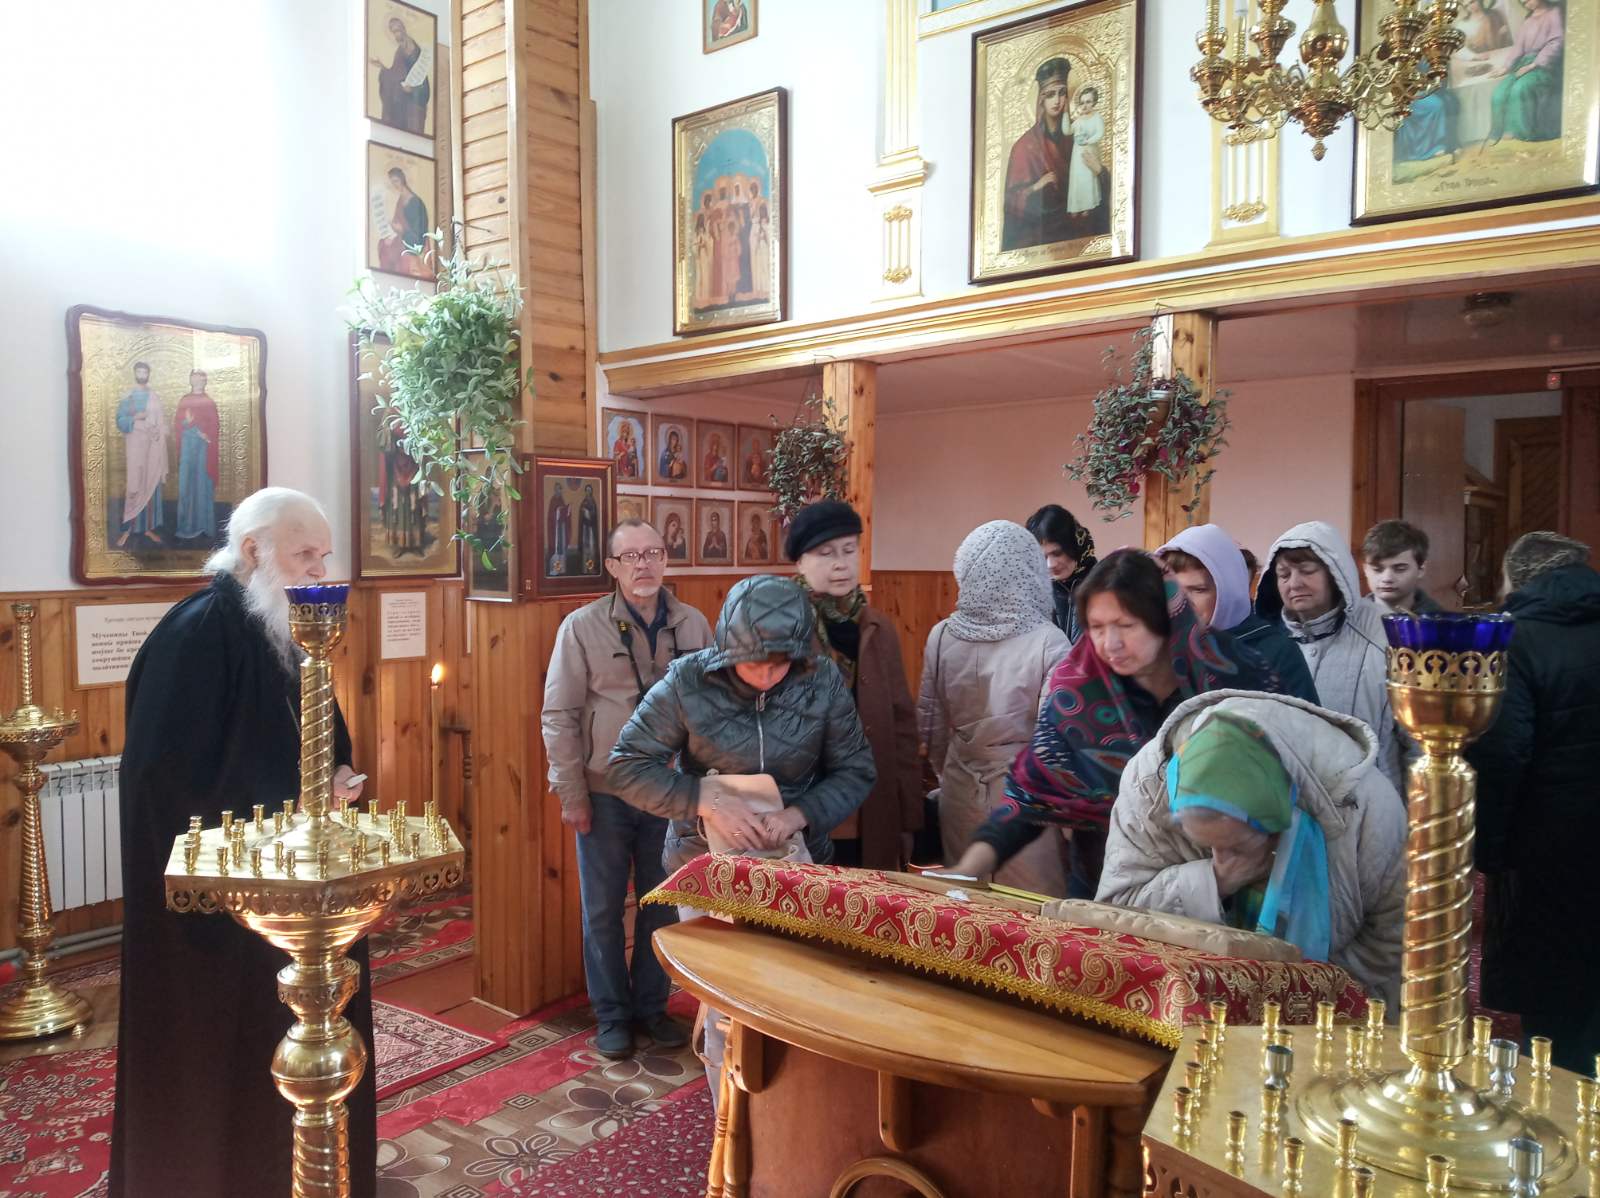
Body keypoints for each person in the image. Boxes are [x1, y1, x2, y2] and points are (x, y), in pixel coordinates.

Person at [111, 488, 375, 1198]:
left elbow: (321, 738)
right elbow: (164, 785)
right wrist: (287, 808)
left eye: (325, 555)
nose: (320, 569)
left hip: (299, 891)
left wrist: (339, 777)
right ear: (254, 550)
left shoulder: (286, 631)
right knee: (230, 1063)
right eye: (305, 553)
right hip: (225, 916)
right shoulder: (193, 636)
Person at [608, 575, 877, 1093]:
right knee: (724, 1008)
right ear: (727, 651)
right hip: (705, 869)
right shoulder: (688, 681)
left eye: (781, 663)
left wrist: (799, 813)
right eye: (755, 662)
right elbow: (626, 766)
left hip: (795, 864)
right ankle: (726, 1122)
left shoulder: (820, 680)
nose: (768, 675)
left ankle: (783, 1118)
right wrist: (704, 801)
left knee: (792, 996)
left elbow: (857, 769)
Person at [953, 550, 1287, 896]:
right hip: (1106, 890)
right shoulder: (1077, 694)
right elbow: (1029, 796)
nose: (1110, 644)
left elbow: (1283, 773)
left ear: (1164, 620)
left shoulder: (1235, 677)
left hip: (1225, 885)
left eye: (1126, 625)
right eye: (1096, 628)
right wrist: (969, 867)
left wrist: (1226, 874)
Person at [1097, 694, 1406, 1007]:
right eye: (1205, 845)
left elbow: (1393, 940)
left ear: (1275, 822)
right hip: (1184, 1000)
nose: (1220, 856)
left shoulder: (1366, 808)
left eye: (1234, 845)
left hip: (1324, 1011)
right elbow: (1113, 921)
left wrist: (1307, 997)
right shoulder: (1149, 784)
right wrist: (1214, 882)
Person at [542, 518, 712, 1059]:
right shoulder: (581, 627)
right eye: (632, 556)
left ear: (666, 559)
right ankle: (612, 1015)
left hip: (671, 791)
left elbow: (714, 709)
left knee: (662, 904)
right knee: (603, 911)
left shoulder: (693, 624)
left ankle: (652, 1008)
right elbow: (559, 714)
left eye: (653, 553)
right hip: (606, 792)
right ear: (613, 567)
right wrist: (571, 793)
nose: (644, 565)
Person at [1468, 532, 1600, 1073]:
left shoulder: (1514, 639)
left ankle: (1563, 1107)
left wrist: (1490, 851)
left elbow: (1502, 755)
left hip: (1549, 849)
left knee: (1554, 1017)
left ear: (1516, 579)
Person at [919, 521, 1071, 895]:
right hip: (1025, 800)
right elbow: (1054, 743)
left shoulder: (942, 635)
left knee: (965, 906)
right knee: (1030, 911)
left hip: (959, 787)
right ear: (1029, 571)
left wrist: (949, 773)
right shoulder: (1050, 641)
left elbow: (930, 725)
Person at [788, 501, 922, 869]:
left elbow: (902, 725)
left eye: (849, 550)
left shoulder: (877, 628)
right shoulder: (781, 626)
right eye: (826, 553)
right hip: (803, 808)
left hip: (872, 807)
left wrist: (909, 816)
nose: (841, 563)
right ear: (799, 562)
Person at [1255, 521, 1409, 793]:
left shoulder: (1387, 635)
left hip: (1372, 802)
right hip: (1290, 804)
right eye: (1284, 574)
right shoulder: (1265, 644)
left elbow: (1418, 742)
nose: (1294, 583)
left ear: (1334, 573)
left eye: (1307, 571)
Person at [1158, 523, 1319, 704]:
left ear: (1228, 592)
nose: (1183, 602)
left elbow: (1303, 720)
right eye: (1172, 590)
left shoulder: (1275, 652)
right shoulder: (1152, 649)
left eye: (1198, 590)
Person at [1002, 57, 1075, 251]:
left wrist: (1099, 173)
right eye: (1050, 95)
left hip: (1073, 231)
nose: (1057, 101)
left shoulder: (1076, 138)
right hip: (1038, 236)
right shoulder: (1024, 146)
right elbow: (1011, 202)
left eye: (1062, 93)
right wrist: (1036, 186)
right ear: (1041, 99)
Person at [1488, 0, 1564, 145]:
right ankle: (1502, 130)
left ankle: (1522, 132)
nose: (1526, 4)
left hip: (1545, 66)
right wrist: (1505, 67)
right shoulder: (1528, 20)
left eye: (1528, 0)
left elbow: (1556, 43)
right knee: (1500, 92)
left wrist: (1533, 65)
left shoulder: (1554, 13)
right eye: (1523, 2)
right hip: (1524, 63)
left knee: (1520, 88)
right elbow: (1518, 47)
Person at [1025, 503, 1098, 643]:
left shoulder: (1104, 583)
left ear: (1075, 545)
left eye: (1057, 553)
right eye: (1042, 557)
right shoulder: (1034, 593)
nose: (1050, 564)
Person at [115, 361, 167, 547]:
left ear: (148, 374)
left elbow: (160, 423)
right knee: (135, 483)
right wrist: (135, 418)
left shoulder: (154, 397)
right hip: (135, 445)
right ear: (135, 373)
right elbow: (120, 420)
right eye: (139, 371)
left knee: (149, 482)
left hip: (152, 445)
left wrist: (157, 432)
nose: (142, 374)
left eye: (145, 371)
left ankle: (147, 528)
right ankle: (128, 529)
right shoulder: (127, 397)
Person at [1357, 519, 1442, 616]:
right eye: (1377, 569)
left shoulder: (1441, 622)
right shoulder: (1348, 619)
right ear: (1365, 570)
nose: (1387, 578)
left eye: (1400, 569)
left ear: (1421, 570)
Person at [173, 369, 220, 542]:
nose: (197, 380)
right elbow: (178, 424)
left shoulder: (209, 402)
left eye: (201, 377)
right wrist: (187, 422)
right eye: (194, 377)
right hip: (187, 446)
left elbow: (214, 426)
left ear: (205, 381)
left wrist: (204, 433)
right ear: (190, 379)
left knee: (201, 484)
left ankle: (203, 526)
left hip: (202, 449)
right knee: (186, 484)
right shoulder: (185, 400)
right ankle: (185, 526)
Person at [373, 15, 431, 135]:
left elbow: (421, 77)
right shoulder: (399, 51)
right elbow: (396, 74)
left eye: (398, 29)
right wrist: (383, 68)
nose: (396, 33)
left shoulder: (415, 49)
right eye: (393, 31)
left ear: (403, 28)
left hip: (415, 100)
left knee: (414, 135)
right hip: (403, 102)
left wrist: (413, 89)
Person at [379, 167, 430, 277]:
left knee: (387, 249)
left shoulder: (416, 202)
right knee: (383, 244)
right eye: (392, 182)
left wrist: (402, 231)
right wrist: (393, 230)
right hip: (403, 237)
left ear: (402, 180)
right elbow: (397, 221)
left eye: (396, 181)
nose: (395, 185)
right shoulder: (401, 199)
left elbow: (419, 232)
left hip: (413, 241)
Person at [1065, 86, 1105, 217]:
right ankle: (1076, 206)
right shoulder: (1079, 119)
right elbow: (1067, 131)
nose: (1085, 105)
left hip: (1090, 153)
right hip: (1077, 155)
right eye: (1082, 103)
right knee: (1077, 179)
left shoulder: (1097, 117)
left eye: (1088, 102)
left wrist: (1088, 141)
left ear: (1094, 102)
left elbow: (1100, 133)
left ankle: (1087, 206)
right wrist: (1065, 116)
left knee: (1087, 178)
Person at [547, 482, 570, 574]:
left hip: (561, 527)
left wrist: (567, 509)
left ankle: (562, 569)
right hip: (555, 528)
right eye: (557, 489)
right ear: (555, 490)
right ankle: (555, 569)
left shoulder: (561, 499)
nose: (558, 490)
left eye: (560, 489)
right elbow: (551, 514)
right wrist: (557, 511)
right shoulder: (553, 500)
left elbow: (564, 513)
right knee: (556, 547)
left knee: (562, 547)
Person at [578, 483, 600, 573]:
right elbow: (581, 516)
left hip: (591, 529)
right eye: (586, 490)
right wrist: (583, 512)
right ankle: (584, 569)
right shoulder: (583, 502)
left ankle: (590, 569)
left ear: (591, 492)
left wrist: (587, 512)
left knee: (591, 549)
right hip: (584, 528)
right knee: (585, 548)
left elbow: (593, 515)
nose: (588, 492)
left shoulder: (593, 502)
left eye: (589, 490)